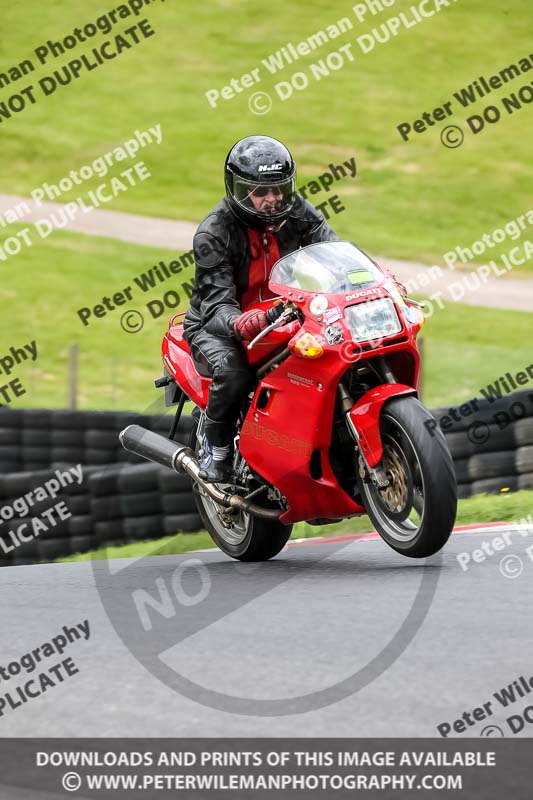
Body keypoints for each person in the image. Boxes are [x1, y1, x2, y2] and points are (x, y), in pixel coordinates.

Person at [183, 134, 340, 482]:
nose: (272, 199)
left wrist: (369, 280)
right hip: (217, 325)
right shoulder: (214, 232)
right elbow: (217, 302)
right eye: (260, 191)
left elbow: (332, 248)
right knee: (233, 371)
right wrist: (243, 321)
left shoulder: (296, 210)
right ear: (238, 190)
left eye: (278, 188)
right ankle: (217, 447)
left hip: (283, 311)